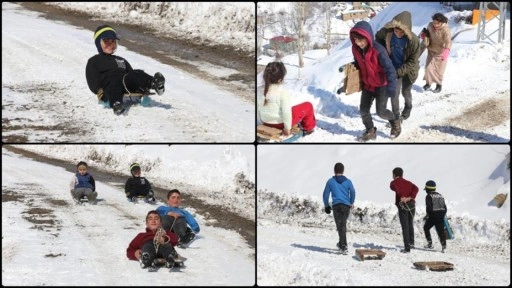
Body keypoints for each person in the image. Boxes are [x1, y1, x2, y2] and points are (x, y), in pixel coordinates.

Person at [85, 24, 166, 115]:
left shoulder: (120, 59)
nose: (110, 44)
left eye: (113, 41)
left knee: (136, 73)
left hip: (125, 82)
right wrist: (99, 91)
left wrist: (138, 84)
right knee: (114, 83)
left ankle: (154, 84)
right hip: (109, 86)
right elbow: (92, 78)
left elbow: (130, 74)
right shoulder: (94, 61)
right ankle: (116, 104)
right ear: (98, 43)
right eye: (106, 41)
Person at [349, 21, 399, 141]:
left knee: (381, 112)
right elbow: (358, 64)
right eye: (356, 40)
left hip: (381, 85)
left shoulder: (378, 51)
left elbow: (390, 69)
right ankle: (370, 130)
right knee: (363, 110)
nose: (359, 43)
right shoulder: (355, 49)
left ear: (368, 37)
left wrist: (392, 88)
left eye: (361, 40)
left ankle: (395, 122)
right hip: (368, 85)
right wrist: (349, 77)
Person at [375, 11, 420, 136]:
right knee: (394, 94)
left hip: (408, 70)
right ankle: (396, 118)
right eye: (396, 30)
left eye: (401, 32)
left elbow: (413, 62)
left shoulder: (413, 40)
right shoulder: (387, 32)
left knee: (406, 91)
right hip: (393, 68)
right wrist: (382, 53)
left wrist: (399, 71)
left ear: (406, 31)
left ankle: (408, 106)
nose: (398, 34)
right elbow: (377, 39)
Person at [258, 62, 316, 136]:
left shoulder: (259, 90)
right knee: (308, 105)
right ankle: (308, 128)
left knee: (289, 108)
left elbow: (258, 109)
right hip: (280, 124)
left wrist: (263, 122)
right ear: (280, 80)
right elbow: (286, 113)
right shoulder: (282, 93)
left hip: (265, 122)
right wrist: (287, 129)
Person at [322, 162, 356, 255]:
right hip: (346, 206)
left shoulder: (330, 181)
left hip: (336, 206)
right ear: (343, 171)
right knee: (342, 225)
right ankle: (341, 244)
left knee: (340, 226)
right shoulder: (348, 181)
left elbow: (325, 195)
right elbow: (352, 191)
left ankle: (344, 246)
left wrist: (326, 206)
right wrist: (351, 201)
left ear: (334, 170)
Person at [421, 13, 452, 93]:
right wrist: (424, 36)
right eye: (434, 23)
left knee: (439, 71)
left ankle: (439, 85)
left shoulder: (446, 30)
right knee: (428, 69)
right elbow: (427, 34)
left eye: (437, 23)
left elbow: (448, 42)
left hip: (441, 53)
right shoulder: (430, 26)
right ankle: (428, 84)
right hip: (431, 50)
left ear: (441, 22)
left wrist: (446, 51)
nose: (435, 25)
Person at [390, 167, 419, 253]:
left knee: (405, 226)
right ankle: (412, 243)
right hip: (412, 205)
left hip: (403, 206)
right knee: (410, 223)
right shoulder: (408, 182)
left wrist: (402, 196)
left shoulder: (394, 182)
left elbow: (393, 187)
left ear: (394, 175)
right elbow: (416, 188)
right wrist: (410, 197)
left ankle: (407, 248)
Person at [422, 180, 447, 253]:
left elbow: (429, 207)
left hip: (433, 215)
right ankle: (444, 246)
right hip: (441, 215)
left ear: (427, 189)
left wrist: (428, 215)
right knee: (441, 231)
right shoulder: (440, 195)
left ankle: (430, 244)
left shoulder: (429, 196)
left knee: (426, 227)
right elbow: (445, 207)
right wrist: (443, 215)